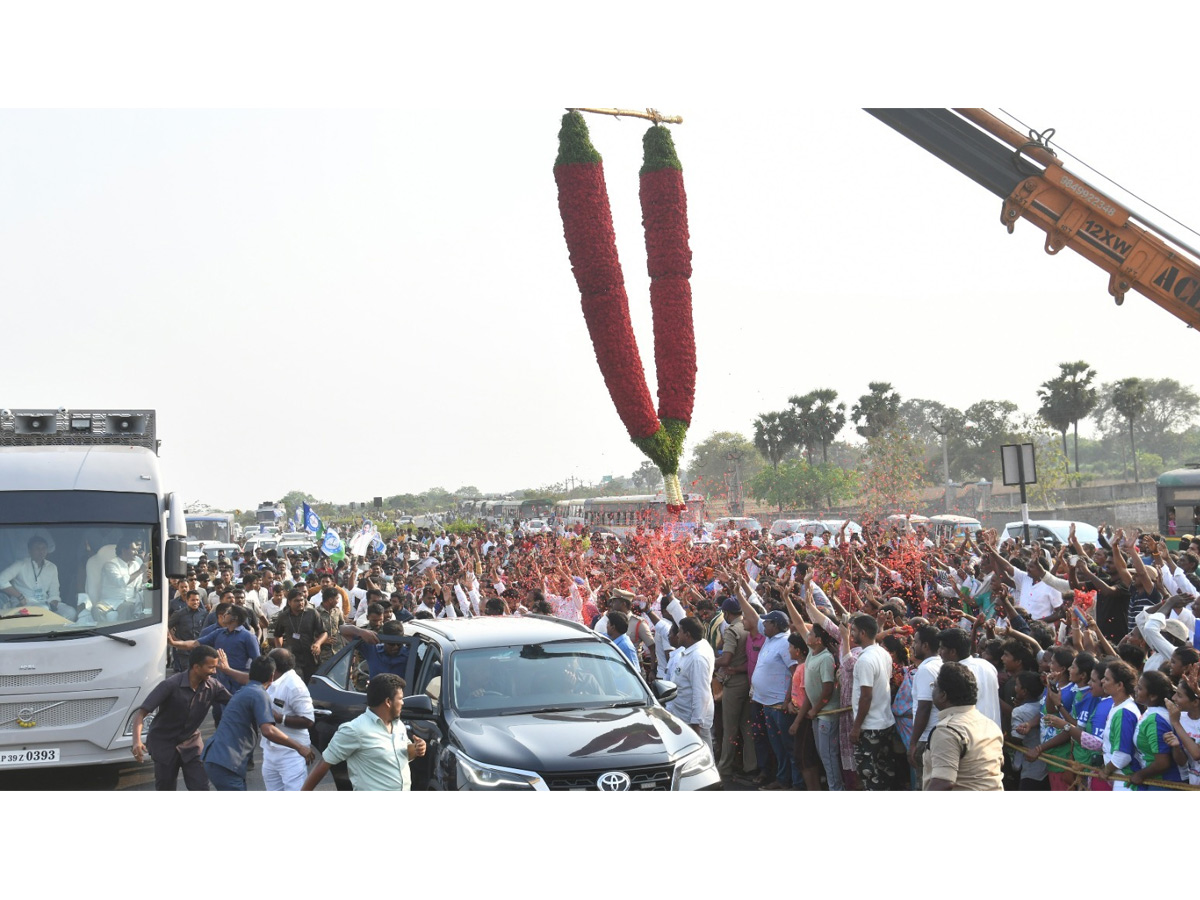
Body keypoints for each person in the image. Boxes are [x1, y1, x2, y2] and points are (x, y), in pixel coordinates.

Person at [201, 654, 315, 790]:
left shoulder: (248, 690)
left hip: (217, 759)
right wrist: (299, 747)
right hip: (227, 762)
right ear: (272, 677)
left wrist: (227, 670)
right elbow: (268, 730)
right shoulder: (259, 694)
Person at [301, 673, 427, 791]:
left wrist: (416, 749)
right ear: (388, 702)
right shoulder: (355, 730)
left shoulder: (398, 725)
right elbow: (323, 765)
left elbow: (404, 753)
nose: (403, 703)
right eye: (400, 698)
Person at [130, 645, 231, 790]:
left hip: (192, 746)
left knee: (201, 788)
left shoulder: (213, 686)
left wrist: (230, 671)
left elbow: (236, 702)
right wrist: (136, 742)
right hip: (164, 746)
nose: (214, 671)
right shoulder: (170, 685)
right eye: (211, 667)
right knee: (166, 788)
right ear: (196, 667)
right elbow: (141, 714)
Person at [924, 661, 1004, 790]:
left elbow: (942, 783)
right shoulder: (989, 724)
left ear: (943, 695)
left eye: (934, 686)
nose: (932, 690)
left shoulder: (947, 730)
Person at [849, 613, 897, 790]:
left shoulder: (866, 660)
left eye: (853, 630)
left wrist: (856, 727)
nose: (851, 634)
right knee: (884, 773)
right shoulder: (882, 653)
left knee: (870, 776)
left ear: (862, 633)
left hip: (870, 727)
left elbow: (866, 696)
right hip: (884, 722)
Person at [260, 648, 315, 791]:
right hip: (270, 749)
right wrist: (227, 670)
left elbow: (308, 720)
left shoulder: (294, 686)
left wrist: (280, 718)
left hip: (291, 753)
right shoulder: (272, 679)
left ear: (275, 666)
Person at [667, 616, 716, 751]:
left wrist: (696, 723)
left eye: (680, 632)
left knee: (701, 757)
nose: (677, 635)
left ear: (687, 635)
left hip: (693, 721)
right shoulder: (693, 649)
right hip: (683, 717)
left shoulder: (697, 658)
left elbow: (701, 692)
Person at [0, 535, 73, 620]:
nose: (41, 551)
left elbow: (54, 592)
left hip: (45, 602)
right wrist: (20, 597)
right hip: (23, 603)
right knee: (43, 609)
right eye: (37, 548)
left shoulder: (52, 567)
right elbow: (1, 580)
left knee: (70, 612)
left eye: (44, 548)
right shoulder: (20, 564)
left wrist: (53, 604)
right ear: (30, 551)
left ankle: (57, 631)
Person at [908, 624, 942, 788]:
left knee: (925, 785)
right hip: (936, 735)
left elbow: (924, 707)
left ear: (926, 646)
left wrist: (913, 742)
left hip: (926, 738)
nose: (913, 645)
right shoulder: (940, 664)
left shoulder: (926, 669)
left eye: (916, 642)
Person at [273, 587, 327, 681]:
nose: (300, 603)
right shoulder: (283, 616)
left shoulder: (312, 613)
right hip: (292, 658)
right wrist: (280, 650)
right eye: (296, 601)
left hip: (310, 656)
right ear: (289, 602)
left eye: (302, 600)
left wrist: (318, 643)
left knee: (311, 684)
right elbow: (277, 635)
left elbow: (324, 632)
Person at [97, 537, 147, 618]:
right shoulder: (110, 565)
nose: (136, 553)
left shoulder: (136, 565)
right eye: (133, 550)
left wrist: (144, 579)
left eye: (137, 550)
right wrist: (140, 571)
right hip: (109, 602)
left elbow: (139, 587)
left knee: (127, 608)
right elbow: (120, 582)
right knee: (96, 610)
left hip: (127, 601)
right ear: (123, 550)